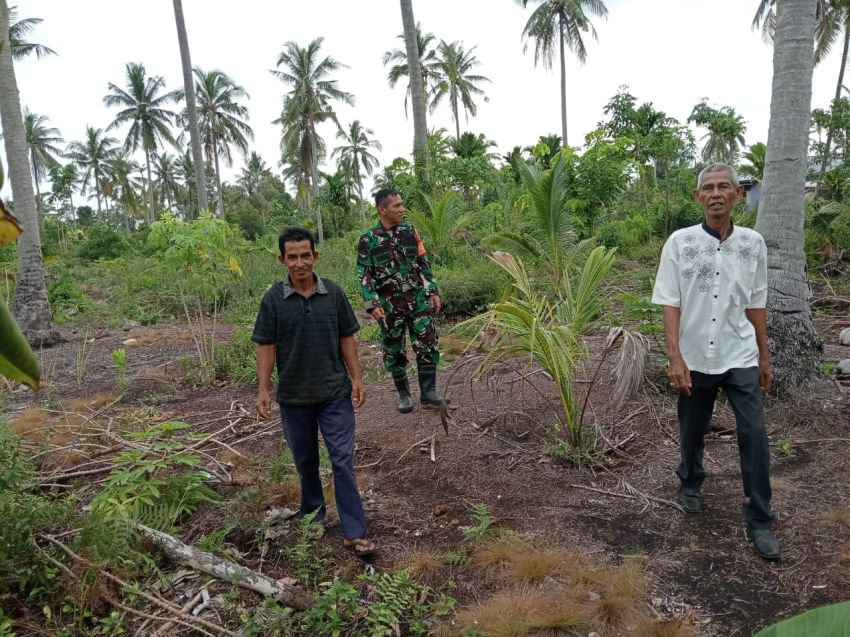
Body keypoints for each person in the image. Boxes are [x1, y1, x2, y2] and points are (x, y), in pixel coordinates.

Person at [651, 163, 779, 560]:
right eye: (708, 188)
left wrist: (764, 356)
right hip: (694, 356)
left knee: (754, 434)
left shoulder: (753, 244)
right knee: (692, 428)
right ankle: (689, 481)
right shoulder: (680, 242)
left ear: (739, 194)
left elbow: (756, 303)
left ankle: (759, 519)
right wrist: (675, 357)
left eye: (725, 186)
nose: (717, 193)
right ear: (698, 197)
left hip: (738, 351)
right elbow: (670, 302)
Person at [253, 227, 376, 556]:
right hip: (294, 399)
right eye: (292, 257)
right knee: (305, 462)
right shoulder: (273, 300)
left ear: (315, 256)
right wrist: (263, 389)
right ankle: (313, 518)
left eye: (305, 255)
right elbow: (266, 345)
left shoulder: (333, 293)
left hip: (334, 394)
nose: (299, 263)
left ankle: (355, 531)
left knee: (342, 460)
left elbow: (346, 337)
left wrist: (357, 378)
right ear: (282, 260)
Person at [357, 188, 447, 413]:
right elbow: (364, 274)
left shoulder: (410, 231)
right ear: (382, 209)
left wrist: (432, 291)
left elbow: (422, 262)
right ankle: (404, 395)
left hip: (417, 301)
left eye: (401, 204)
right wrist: (372, 304)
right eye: (396, 206)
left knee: (427, 343)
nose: (402, 209)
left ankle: (428, 393)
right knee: (394, 351)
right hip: (389, 307)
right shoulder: (368, 239)